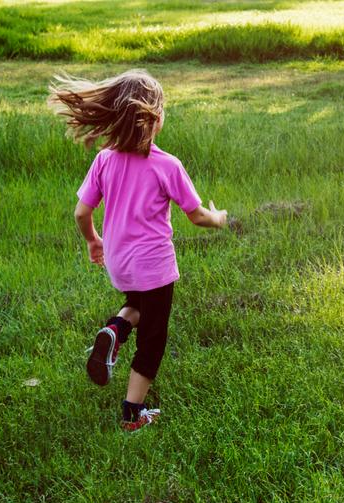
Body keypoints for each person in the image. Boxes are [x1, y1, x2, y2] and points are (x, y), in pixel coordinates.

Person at [48, 69, 227, 432]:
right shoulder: (167, 165)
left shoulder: (105, 160)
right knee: (154, 338)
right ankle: (133, 413)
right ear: (156, 118)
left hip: (119, 262)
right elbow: (197, 216)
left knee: (139, 305)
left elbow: (81, 211)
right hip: (154, 266)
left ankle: (116, 327)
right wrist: (219, 218)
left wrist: (92, 240)